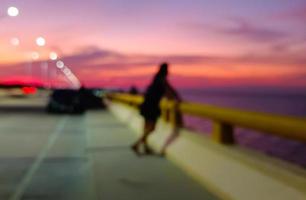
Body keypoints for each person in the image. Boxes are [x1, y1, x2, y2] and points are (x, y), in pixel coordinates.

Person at [131, 63, 182, 155]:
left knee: (146, 127)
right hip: (152, 106)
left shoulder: (157, 78)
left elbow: (169, 89)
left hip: (146, 104)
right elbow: (169, 91)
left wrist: (175, 96)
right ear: (165, 70)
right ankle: (137, 144)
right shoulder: (161, 79)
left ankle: (145, 147)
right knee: (152, 128)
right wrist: (177, 98)